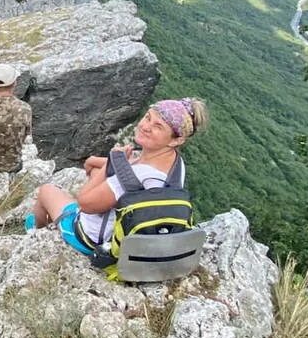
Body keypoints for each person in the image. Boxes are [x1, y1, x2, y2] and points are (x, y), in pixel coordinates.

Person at [32, 98, 208, 254]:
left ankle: (34, 234)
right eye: (148, 117)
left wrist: (112, 161)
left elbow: (84, 203)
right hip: (130, 235)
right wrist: (98, 163)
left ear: (176, 140)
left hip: (92, 240)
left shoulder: (138, 176)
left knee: (47, 191)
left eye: (158, 126)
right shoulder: (175, 164)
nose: (145, 126)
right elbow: (132, 168)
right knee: (94, 170)